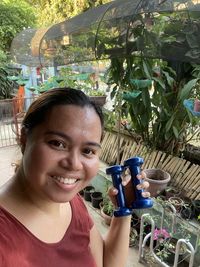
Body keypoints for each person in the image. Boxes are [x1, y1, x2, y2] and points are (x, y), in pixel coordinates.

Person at [0, 88, 150, 267]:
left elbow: (105, 262)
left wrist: (124, 208)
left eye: (88, 151)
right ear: (24, 139)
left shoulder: (72, 203)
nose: (74, 164)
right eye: (57, 143)